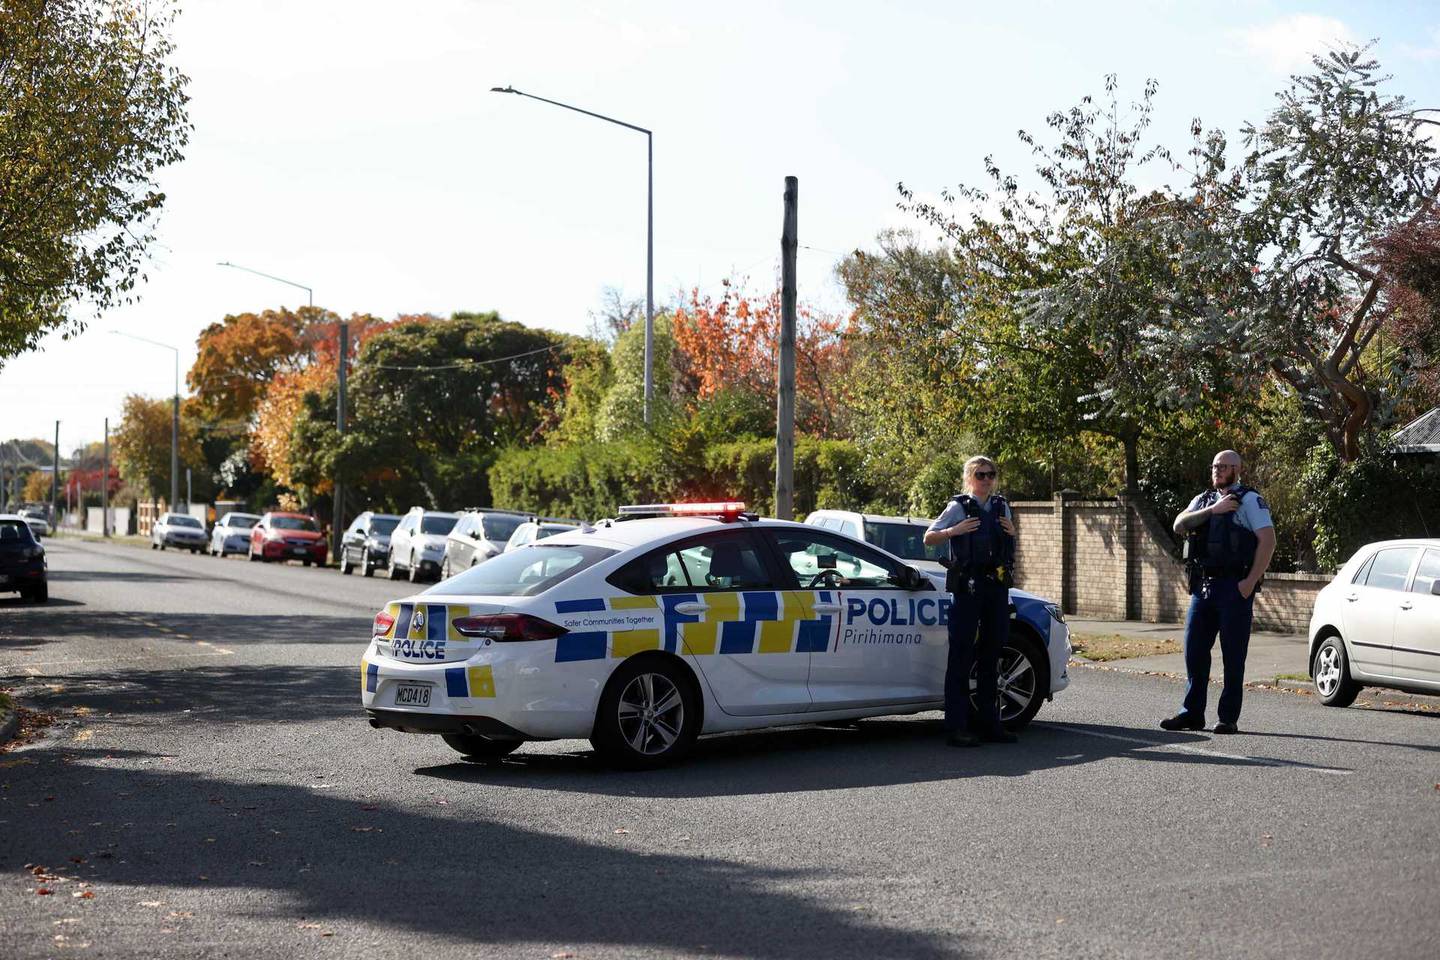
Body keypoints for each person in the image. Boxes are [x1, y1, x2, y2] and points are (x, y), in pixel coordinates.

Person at [1162, 449, 1275, 734]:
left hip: (1234, 588)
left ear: (1238, 469)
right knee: (1194, 652)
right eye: (1214, 466)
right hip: (1203, 587)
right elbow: (1179, 524)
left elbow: (1268, 541)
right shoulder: (1203, 500)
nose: (1217, 470)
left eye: (1223, 466)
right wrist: (1213, 511)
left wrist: (1249, 582)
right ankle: (1192, 713)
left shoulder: (1249, 500)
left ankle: (1228, 717)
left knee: (1233, 655)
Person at [924, 456, 1018, 748]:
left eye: (991, 474)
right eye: (981, 475)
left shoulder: (1002, 506)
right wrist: (954, 531)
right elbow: (929, 537)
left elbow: (1007, 546)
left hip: (995, 587)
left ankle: (990, 724)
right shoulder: (958, 507)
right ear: (970, 478)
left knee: (992, 654)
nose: (987, 479)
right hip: (967, 587)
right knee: (962, 656)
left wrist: (1013, 533)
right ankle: (957, 727)